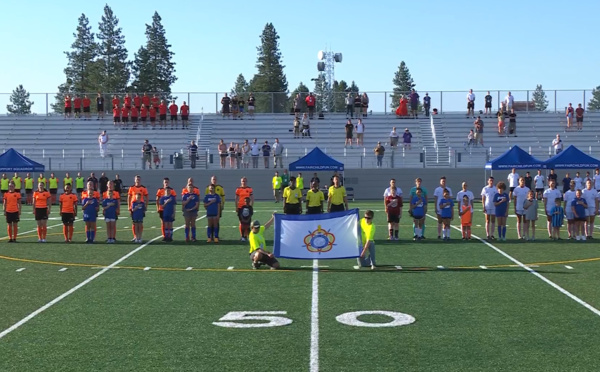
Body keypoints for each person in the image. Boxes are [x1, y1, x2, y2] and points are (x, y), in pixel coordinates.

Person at [127, 175, 149, 242]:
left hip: (141, 207)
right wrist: (129, 206)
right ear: (134, 180)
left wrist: (146, 206)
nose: (138, 180)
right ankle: (135, 236)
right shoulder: (131, 188)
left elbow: (146, 197)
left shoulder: (143, 188)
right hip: (133, 206)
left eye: (139, 179)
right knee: (134, 223)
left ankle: (139, 236)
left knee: (140, 223)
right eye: (137, 179)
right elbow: (129, 197)